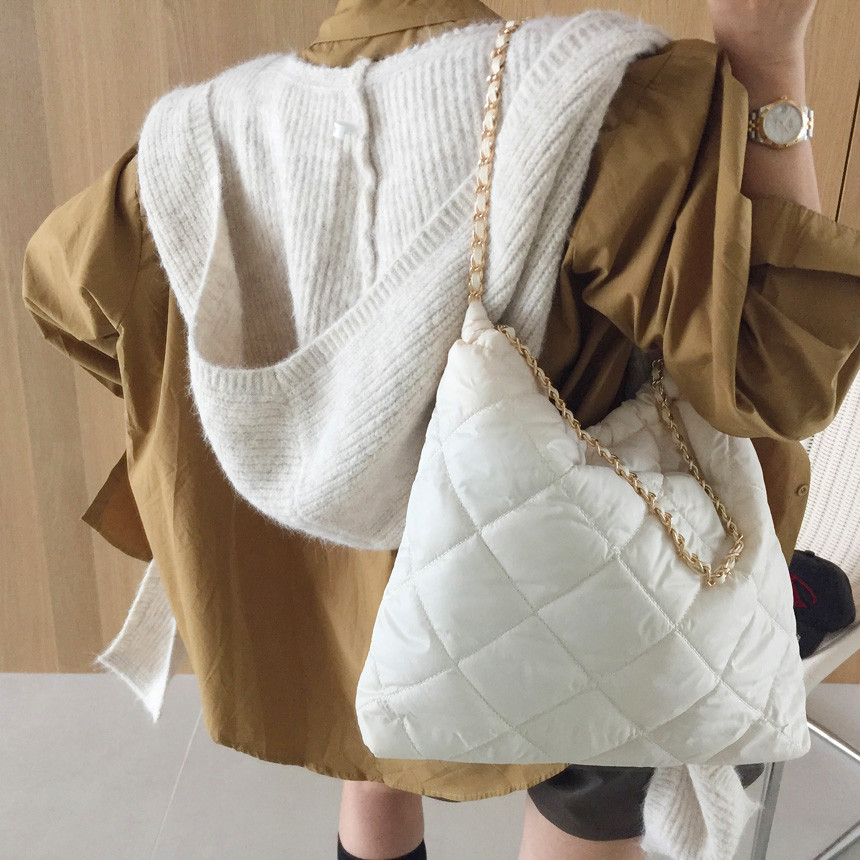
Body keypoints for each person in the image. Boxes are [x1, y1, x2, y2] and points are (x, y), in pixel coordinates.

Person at [21, 1, 860, 859]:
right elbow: (787, 372)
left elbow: (63, 297)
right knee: (597, 754)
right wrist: (768, 58)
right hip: (569, 606)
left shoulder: (184, 153)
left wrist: (287, 431)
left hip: (347, 621)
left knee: (377, 648)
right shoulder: (610, 105)